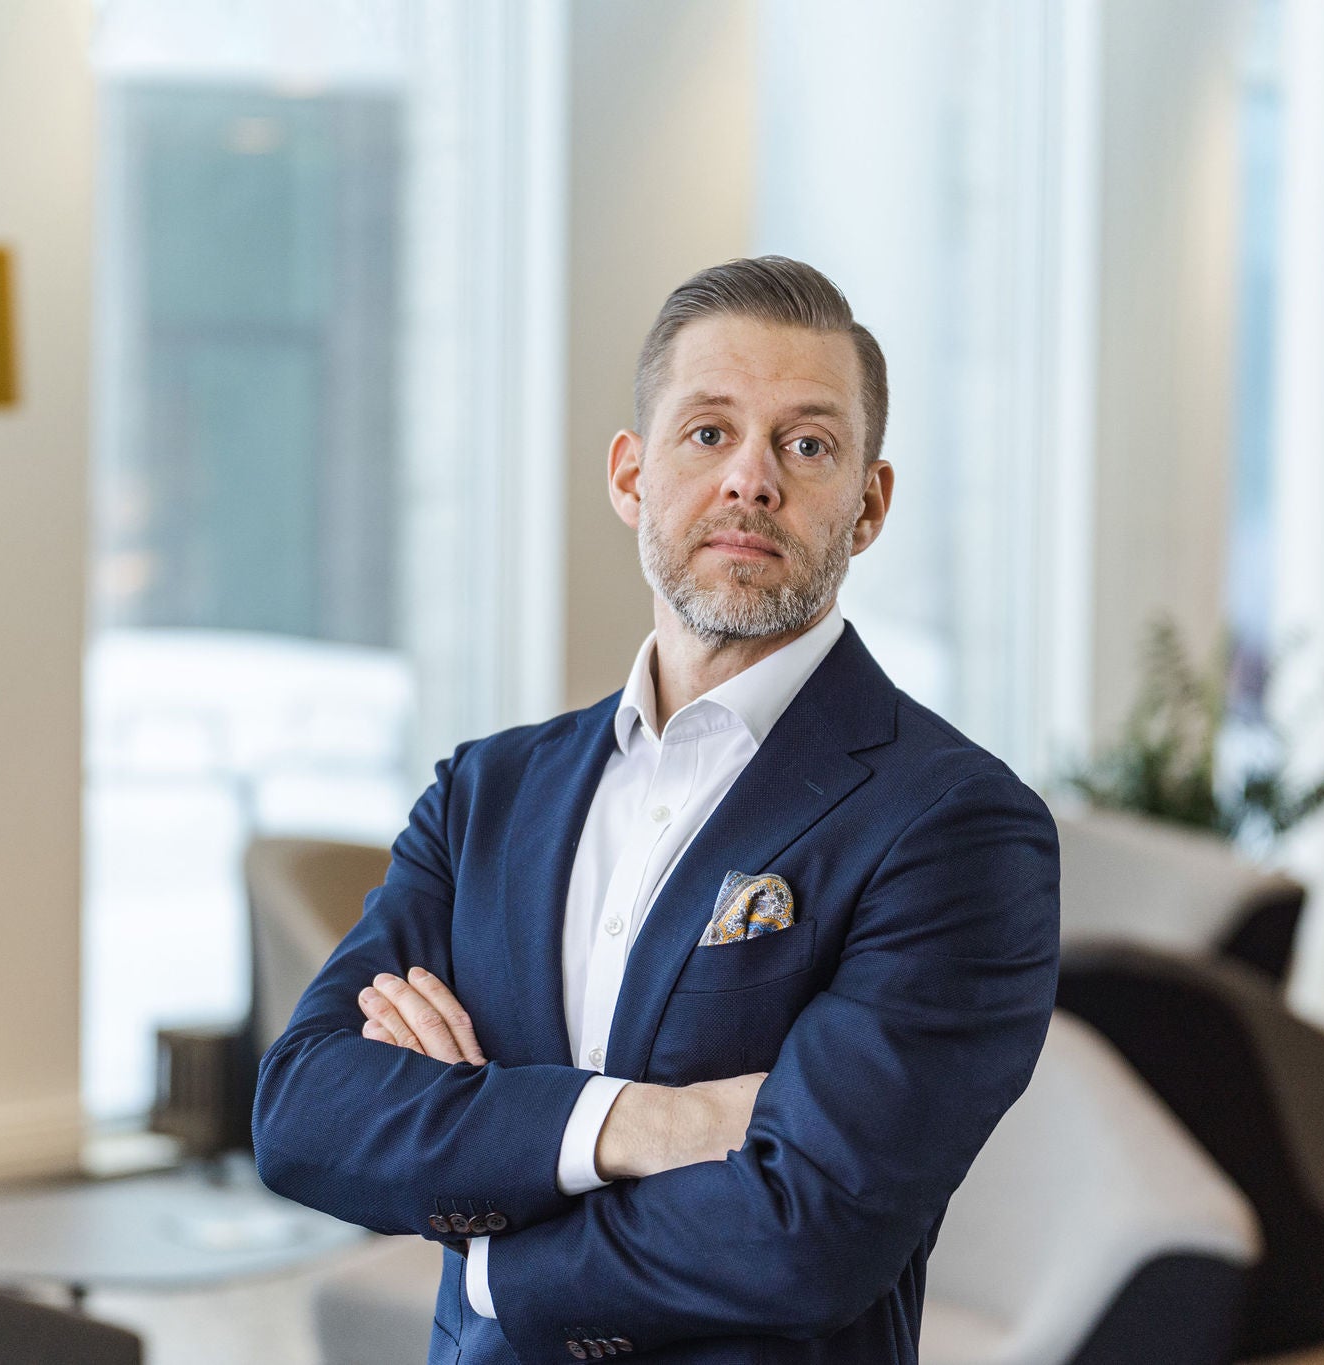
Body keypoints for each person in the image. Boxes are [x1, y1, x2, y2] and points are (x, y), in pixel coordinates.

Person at [252, 255, 1060, 1364]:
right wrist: (648, 1123)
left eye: (807, 445)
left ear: (868, 505)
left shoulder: (956, 827)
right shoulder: (486, 795)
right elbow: (304, 1111)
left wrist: (491, 1257)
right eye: (708, 432)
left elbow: (809, 1231)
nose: (751, 480)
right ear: (632, 477)